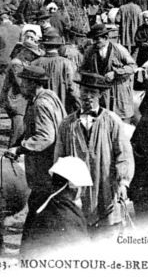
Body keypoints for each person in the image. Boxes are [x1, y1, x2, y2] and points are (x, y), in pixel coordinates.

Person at [53, 73, 134, 232]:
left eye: (93, 93)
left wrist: (123, 182)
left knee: (106, 231)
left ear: (100, 95)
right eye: (84, 91)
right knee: (77, 229)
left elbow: (124, 154)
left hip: (104, 183)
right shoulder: (67, 123)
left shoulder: (112, 120)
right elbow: (59, 156)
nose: (88, 97)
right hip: (76, 189)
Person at [7, 66, 66, 219]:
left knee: (39, 204)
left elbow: (45, 137)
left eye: (24, 83)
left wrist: (20, 149)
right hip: (53, 162)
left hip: (45, 164)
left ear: (34, 84)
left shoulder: (40, 104)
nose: (21, 86)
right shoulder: (50, 96)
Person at [19, 157, 91, 258]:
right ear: (73, 186)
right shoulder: (67, 215)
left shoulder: (40, 200)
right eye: (82, 186)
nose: (83, 191)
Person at [81, 24, 136, 122]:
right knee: (102, 117)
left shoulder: (119, 49)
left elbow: (132, 66)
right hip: (101, 91)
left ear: (106, 38)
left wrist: (115, 73)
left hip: (118, 89)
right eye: (94, 39)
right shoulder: (90, 51)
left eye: (98, 39)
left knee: (120, 117)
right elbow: (83, 69)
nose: (95, 42)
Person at [0, 40, 44, 147]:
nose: (33, 56)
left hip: (18, 100)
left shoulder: (21, 62)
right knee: (17, 131)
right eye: (32, 54)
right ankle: (11, 154)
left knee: (19, 129)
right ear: (24, 51)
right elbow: (21, 84)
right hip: (15, 100)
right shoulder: (17, 64)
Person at [31, 32, 80, 114]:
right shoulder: (67, 63)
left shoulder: (34, 63)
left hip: (40, 108)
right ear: (59, 46)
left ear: (43, 46)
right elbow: (74, 90)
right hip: (62, 108)